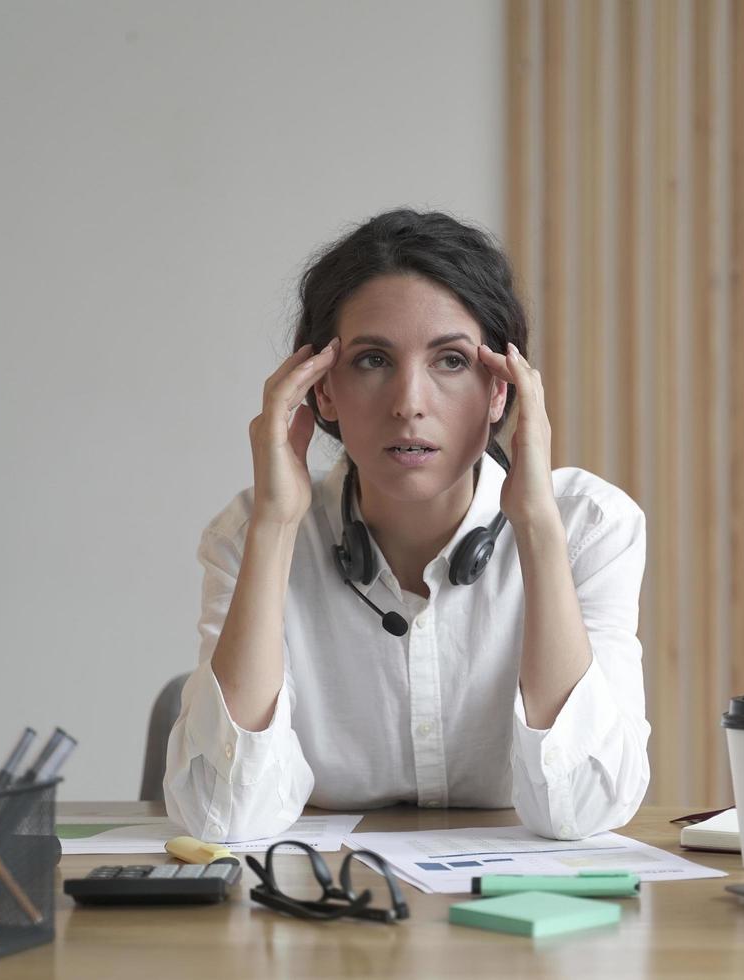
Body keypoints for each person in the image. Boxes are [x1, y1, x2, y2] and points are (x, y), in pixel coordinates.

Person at [163, 209, 650, 842]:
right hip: (327, 919)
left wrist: (536, 529)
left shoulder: (588, 526)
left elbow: (581, 811)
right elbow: (219, 816)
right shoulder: (246, 534)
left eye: (450, 361)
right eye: (371, 361)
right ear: (322, 391)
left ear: (501, 390)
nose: (409, 403)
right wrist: (277, 528)